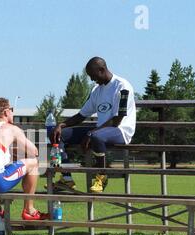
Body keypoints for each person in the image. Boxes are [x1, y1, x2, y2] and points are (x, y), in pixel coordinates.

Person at [51, 57, 136, 193]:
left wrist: (92, 133)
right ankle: (66, 178)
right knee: (59, 135)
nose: (91, 79)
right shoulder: (97, 90)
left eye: (93, 76)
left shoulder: (122, 86)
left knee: (97, 137)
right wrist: (61, 125)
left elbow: (117, 120)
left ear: (102, 70)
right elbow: (82, 115)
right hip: (100, 130)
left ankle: (102, 176)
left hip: (120, 130)